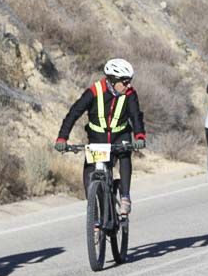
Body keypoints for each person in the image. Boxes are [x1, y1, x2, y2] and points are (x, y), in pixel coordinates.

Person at [54, 58, 146, 215]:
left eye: (129, 81)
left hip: (120, 134)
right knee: (89, 172)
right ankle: (94, 215)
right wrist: (62, 138)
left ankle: (125, 197)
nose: (128, 85)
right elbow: (74, 113)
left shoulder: (130, 94)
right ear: (113, 80)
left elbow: (136, 116)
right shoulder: (94, 91)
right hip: (98, 138)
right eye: (124, 82)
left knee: (124, 155)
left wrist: (139, 136)